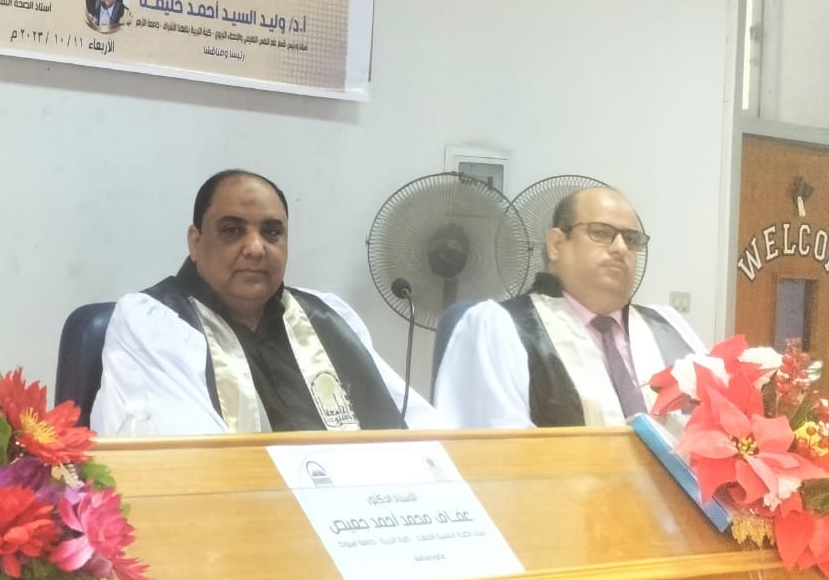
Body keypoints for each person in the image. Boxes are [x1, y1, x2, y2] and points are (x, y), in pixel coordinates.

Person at [91, 169, 442, 435]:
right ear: (195, 242)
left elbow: (414, 422)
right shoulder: (154, 323)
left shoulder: (328, 317)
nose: (256, 248)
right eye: (232, 230)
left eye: (272, 232)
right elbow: (180, 452)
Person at [433, 186, 706, 428]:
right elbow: (492, 454)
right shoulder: (500, 328)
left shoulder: (668, 326)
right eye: (601, 233)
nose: (621, 248)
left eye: (632, 239)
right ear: (556, 245)